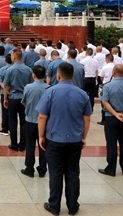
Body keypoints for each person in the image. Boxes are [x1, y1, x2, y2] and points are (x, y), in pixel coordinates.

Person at [37, 62, 92, 216]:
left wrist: (41, 136)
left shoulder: (50, 92)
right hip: (74, 139)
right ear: (72, 76)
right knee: (73, 172)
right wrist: (83, 137)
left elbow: (42, 116)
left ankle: (54, 205)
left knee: (55, 173)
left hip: (54, 138)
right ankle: (72, 206)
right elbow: (87, 118)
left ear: (58, 75)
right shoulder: (82, 94)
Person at [1, 48, 33, 152]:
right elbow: (31, 85)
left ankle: (14, 143)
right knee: (24, 122)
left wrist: (5, 98)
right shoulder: (28, 70)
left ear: (14, 57)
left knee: (12, 121)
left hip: (13, 98)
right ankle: (23, 144)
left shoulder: (9, 70)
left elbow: (6, 86)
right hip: (25, 99)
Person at [21, 65, 48, 178]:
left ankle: (29, 168)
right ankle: (42, 168)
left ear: (34, 75)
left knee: (30, 145)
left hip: (30, 120)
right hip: (45, 122)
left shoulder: (28, 87)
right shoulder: (49, 88)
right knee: (43, 145)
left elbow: (24, 101)